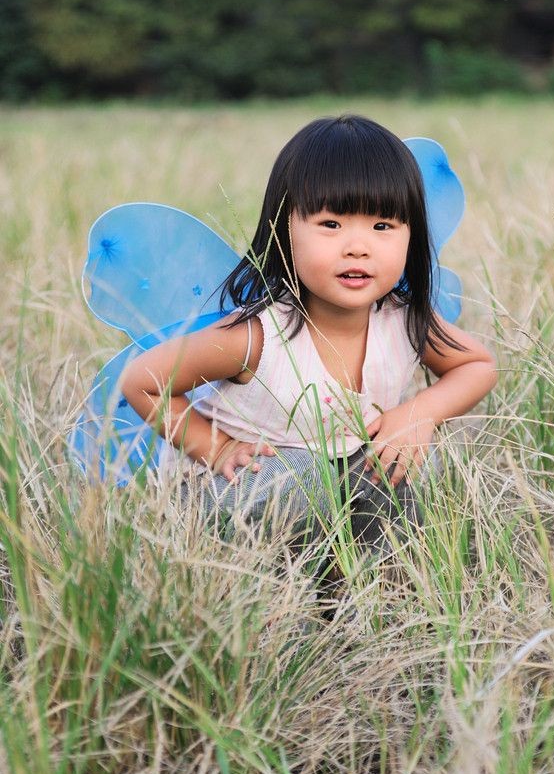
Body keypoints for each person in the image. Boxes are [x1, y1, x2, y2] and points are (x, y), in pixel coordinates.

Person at [120, 114, 497, 561]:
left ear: (411, 237)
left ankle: (361, 583)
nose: (358, 246)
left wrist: (420, 413)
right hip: (241, 497)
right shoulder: (256, 335)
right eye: (331, 225)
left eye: (382, 227)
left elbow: (478, 365)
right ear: (284, 232)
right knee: (302, 475)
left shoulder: (404, 318)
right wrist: (217, 449)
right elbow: (142, 381)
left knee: (411, 463)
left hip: (329, 490)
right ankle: (268, 594)